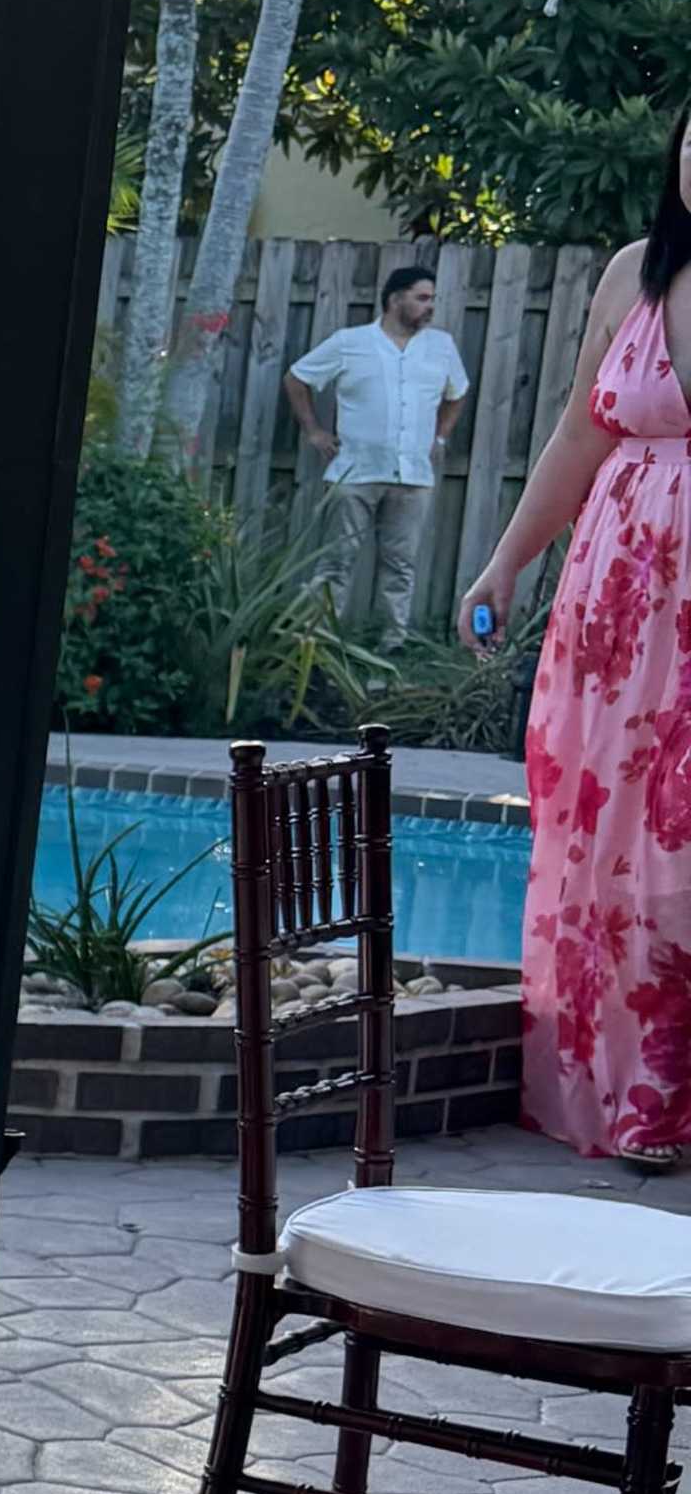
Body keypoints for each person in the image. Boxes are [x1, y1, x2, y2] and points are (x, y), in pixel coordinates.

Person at [461, 115, 691, 1172]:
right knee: (613, 835)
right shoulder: (635, 275)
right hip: (616, 605)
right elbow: (577, 435)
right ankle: (634, 1094)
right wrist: (506, 561)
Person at [288, 258, 468, 647]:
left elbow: (457, 393)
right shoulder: (350, 343)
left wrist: (439, 437)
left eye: (432, 299)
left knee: (401, 564)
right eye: (422, 298)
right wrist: (314, 431)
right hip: (355, 472)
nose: (429, 307)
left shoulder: (441, 347)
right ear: (394, 299)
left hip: (413, 475)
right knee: (337, 559)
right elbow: (297, 378)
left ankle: (394, 641)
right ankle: (315, 639)